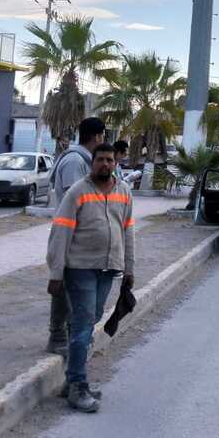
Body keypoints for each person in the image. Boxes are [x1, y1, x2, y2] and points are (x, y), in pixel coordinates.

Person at [46, 143, 135, 413]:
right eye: (100, 160)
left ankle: (69, 381)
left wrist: (129, 268)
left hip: (109, 268)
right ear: (92, 162)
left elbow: (127, 232)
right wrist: (56, 272)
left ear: (115, 163)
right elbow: (60, 233)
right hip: (80, 268)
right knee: (84, 325)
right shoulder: (77, 192)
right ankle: (78, 386)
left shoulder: (124, 192)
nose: (105, 164)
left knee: (87, 321)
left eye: (110, 160)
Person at [44, 117, 106, 357]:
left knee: (75, 286)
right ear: (97, 136)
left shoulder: (83, 160)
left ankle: (71, 334)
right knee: (62, 282)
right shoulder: (73, 160)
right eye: (103, 135)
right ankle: (57, 336)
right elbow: (75, 198)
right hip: (69, 232)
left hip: (82, 233)